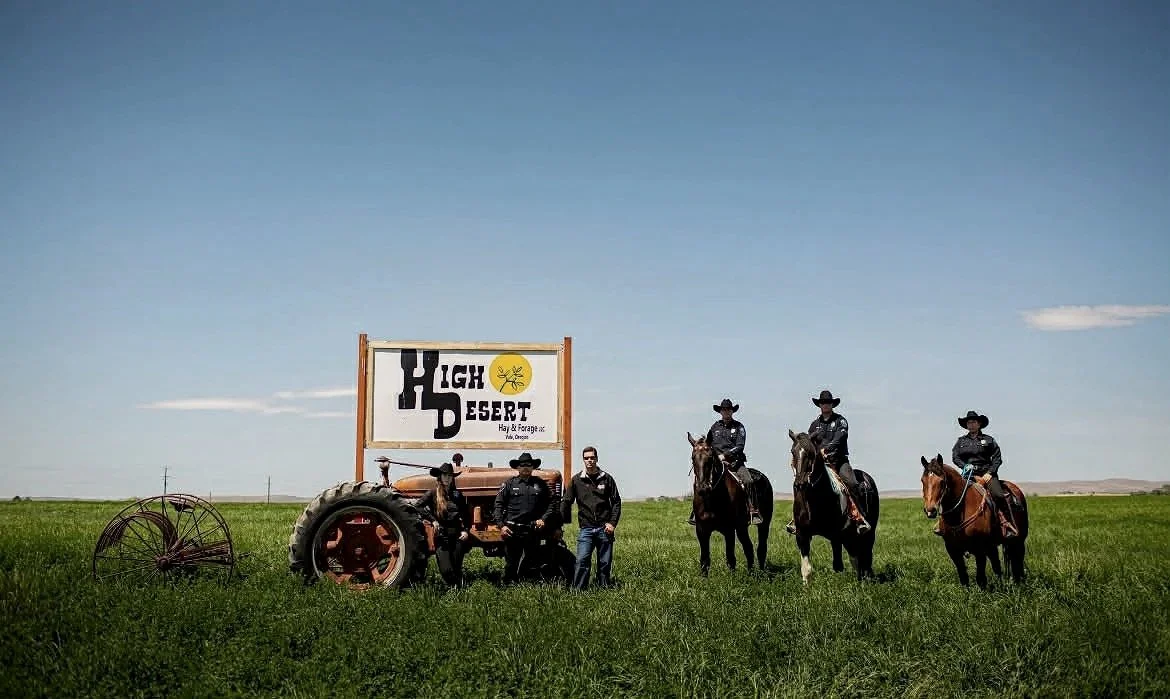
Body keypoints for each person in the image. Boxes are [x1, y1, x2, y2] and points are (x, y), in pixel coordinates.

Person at [787, 390, 871, 534]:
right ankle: (798, 519)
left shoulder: (840, 421)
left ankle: (859, 518)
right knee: (801, 483)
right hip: (820, 464)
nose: (825, 405)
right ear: (819, 405)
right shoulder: (814, 425)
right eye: (822, 403)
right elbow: (809, 445)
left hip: (839, 462)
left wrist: (827, 449)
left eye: (828, 403)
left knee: (851, 482)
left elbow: (840, 438)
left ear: (832, 404)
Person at [689, 398, 761, 525]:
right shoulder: (715, 427)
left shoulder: (739, 427)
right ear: (720, 412)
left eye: (728, 410)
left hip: (735, 463)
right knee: (700, 479)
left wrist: (725, 455)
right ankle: (696, 511)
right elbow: (709, 444)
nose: (726, 412)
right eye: (724, 410)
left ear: (732, 411)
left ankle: (753, 511)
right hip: (716, 461)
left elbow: (740, 446)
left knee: (748, 480)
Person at [560, 445, 622, 590]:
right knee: (582, 560)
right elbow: (566, 502)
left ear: (597, 459)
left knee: (605, 562)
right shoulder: (576, 480)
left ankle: (604, 588)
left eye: (592, 458)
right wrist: (560, 523)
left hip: (604, 528)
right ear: (583, 460)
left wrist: (612, 523)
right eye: (586, 458)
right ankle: (579, 591)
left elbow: (616, 502)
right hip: (586, 529)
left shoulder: (607, 479)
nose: (590, 461)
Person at [950, 410, 1019, 538]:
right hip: (968, 474)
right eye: (969, 422)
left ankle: (1007, 524)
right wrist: (964, 466)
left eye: (973, 422)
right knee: (952, 494)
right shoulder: (961, 441)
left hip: (987, 474)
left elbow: (997, 458)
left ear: (979, 424)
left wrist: (990, 472)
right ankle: (944, 524)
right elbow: (955, 457)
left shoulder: (988, 440)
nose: (971, 425)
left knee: (998, 495)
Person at [492, 452, 558, 584]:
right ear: (518, 468)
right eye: (522, 465)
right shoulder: (509, 484)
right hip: (512, 530)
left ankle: (527, 587)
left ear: (533, 467)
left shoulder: (540, 484)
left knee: (531, 561)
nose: (526, 468)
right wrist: (501, 525)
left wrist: (543, 519)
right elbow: (498, 505)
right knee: (511, 563)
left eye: (529, 465)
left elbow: (552, 503)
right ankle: (508, 588)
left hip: (532, 530)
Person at [414, 462, 471, 587]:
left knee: (456, 568)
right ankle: (459, 587)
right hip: (441, 536)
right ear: (439, 477)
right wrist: (432, 520)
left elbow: (466, 514)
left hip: (457, 536)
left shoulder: (457, 495)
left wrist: (466, 530)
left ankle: (458, 593)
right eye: (445, 475)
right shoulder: (433, 493)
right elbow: (418, 506)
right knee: (446, 570)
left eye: (450, 476)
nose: (447, 478)